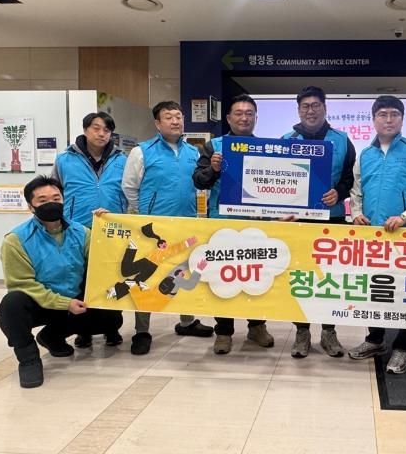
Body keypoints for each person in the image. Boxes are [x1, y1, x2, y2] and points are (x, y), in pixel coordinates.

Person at [0, 176, 123, 388]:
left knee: (112, 318)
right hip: (39, 303)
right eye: (43, 200)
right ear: (31, 206)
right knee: (11, 305)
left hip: (74, 300)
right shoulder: (15, 240)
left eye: (56, 198)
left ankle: (51, 336)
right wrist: (65, 304)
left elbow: (104, 264)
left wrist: (108, 228)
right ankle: (28, 358)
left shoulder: (81, 232)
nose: (51, 204)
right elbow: (22, 284)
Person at [347, 95, 406, 374]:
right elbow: (356, 191)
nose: (388, 120)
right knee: (375, 290)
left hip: (404, 237)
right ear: (373, 119)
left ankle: (401, 348)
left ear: (402, 119)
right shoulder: (366, 154)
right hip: (372, 238)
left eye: (394, 114)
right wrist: (356, 213)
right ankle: (375, 340)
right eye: (382, 114)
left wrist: (404, 217)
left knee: (405, 293)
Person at [121, 100, 213, 355]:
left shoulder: (193, 152)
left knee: (183, 271)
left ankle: (187, 322)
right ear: (157, 123)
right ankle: (142, 331)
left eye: (178, 116)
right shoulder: (141, 151)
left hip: (186, 224)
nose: (175, 121)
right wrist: (146, 213)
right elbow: (129, 187)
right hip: (154, 229)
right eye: (169, 117)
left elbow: (200, 185)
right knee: (147, 277)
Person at [192, 94, 275, 354]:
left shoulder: (266, 147)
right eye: (238, 113)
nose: (244, 118)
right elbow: (198, 180)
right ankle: (224, 332)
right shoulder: (213, 147)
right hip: (223, 224)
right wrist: (214, 169)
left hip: (257, 224)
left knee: (257, 276)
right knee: (223, 278)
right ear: (228, 118)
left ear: (256, 118)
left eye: (249, 113)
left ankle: (257, 326)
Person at [282, 86, 356, 358]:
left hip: (331, 218)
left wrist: (340, 192)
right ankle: (302, 332)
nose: (310, 110)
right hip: (297, 221)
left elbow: (350, 178)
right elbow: (279, 178)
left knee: (329, 278)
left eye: (315, 105)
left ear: (325, 108)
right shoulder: (286, 140)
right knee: (300, 277)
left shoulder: (342, 140)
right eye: (305, 106)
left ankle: (328, 332)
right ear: (299, 110)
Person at [52, 111, 126, 348]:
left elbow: (129, 192)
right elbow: (55, 193)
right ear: (85, 130)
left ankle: (111, 328)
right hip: (76, 230)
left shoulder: (121, 159)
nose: (102, 133)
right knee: (81, 282)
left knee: (112, 281)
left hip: (112, 230)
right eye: (96, 128)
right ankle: (83, 331)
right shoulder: (65, 160)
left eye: (107, 130)